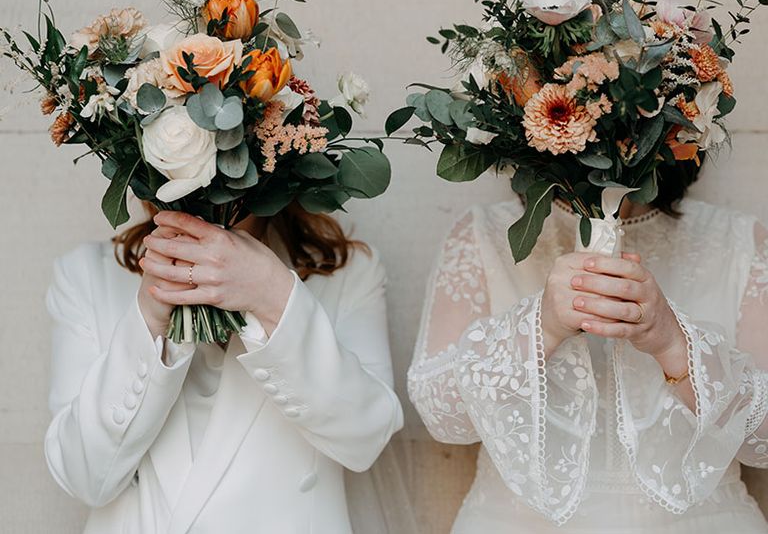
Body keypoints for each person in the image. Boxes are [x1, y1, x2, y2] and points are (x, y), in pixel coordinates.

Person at [409, 136, 768, 528]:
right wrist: (540, 326)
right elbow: (441, 416)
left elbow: (763, 444)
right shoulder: (484, 232)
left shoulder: (738, 239)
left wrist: (671, 341)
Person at [44, 203, 403, 534]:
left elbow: (367, 438)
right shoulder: (87, 274)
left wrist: (273, 296)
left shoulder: (345, 271)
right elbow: (84, 477)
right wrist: (149, 320)